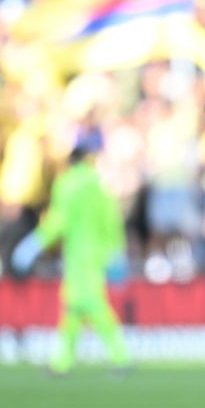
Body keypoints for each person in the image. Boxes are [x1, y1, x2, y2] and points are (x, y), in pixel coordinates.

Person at [12, 142, 131, 375]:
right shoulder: (99, 185)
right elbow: (112, 220)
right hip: (98, 253)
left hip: (78, 255)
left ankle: (121, 356)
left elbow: (58, 221)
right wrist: (116, 251)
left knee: (92, 305)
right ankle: (62, 362)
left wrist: (34, 244)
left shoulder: (67, 185)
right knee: (73, 309)